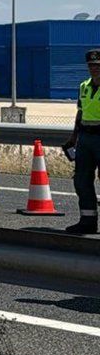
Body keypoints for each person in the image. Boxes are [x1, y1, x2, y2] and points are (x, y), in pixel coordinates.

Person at [60, 48, 100, 235]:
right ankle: (88, 221)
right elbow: (81, 112)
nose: (94, 69)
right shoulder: (84, 86)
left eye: (97, 65)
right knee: (82, 180)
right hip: (85, 138)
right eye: (91, 65)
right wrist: (73, 137)